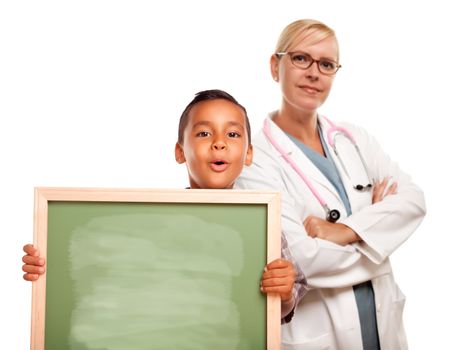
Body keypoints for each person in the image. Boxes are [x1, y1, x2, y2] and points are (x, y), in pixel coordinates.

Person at [22, 89, 308, 321]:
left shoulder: (265, 226)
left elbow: (282, 307)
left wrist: (284, 293)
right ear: (180, 151)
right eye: (204, 133)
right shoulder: (149, 221)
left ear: (249, 154)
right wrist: (48, 267)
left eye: (232, 134)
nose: (219, 143)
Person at [235, 19, 426, 349]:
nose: (314, 73)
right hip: (318, 334)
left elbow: (414, 202)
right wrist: (381, 239)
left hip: (383, 327)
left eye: (326, 64)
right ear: (274, 66)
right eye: (300, 58)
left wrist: (347, 231)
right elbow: (303, 260)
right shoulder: (254, 157)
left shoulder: (355, 139)